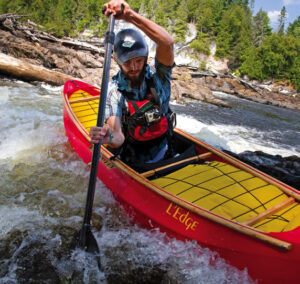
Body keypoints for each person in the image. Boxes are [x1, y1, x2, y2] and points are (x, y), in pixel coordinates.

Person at [90, 0, 175, 165]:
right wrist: (109, 137)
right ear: (117, 61)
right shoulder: (114, 92)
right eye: (127, 62)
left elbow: (168, 43)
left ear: (145, 57)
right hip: (133, 161)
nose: (134, 67)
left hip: (165, 153)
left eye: (138, 60)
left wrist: (130, 16)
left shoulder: (160, 77)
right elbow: (118, 135)